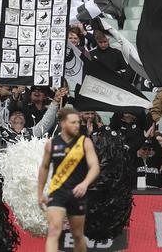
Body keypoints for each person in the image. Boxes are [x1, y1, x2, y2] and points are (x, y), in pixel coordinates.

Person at [38, 108, 100, 252]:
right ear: (62, 124)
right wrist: (40, 193)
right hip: (57, 192)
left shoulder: (85, 142)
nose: (77, 125)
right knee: (53, 230)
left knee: (77, 235)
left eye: (78, 122)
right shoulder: (51, 143)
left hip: (77, 193)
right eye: (73, 122)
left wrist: (85, 183)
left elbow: (95, 167)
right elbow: (44, 167)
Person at [0, 89, 64, 150]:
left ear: (25, 121)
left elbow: (46, 121)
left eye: (20, 114)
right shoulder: (3, 129)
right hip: (7, 168)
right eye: (14, 114)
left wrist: (56, 100)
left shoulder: (33, 132)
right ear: (9, 121)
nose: (17, 115)